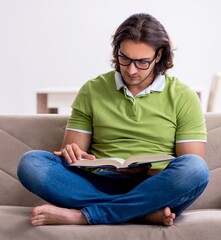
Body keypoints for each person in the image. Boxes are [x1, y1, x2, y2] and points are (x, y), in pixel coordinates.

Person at [17, 13, 209, 227]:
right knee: (31, 163)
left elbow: (191, 162)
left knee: (196, 170)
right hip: (100, 182)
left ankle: (85, 216)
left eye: (142, 62)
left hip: (155, 186)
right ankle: (139, 213)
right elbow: (73, 155)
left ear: (159, 56)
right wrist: (73, 152)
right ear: (116, 51)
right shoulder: (92, 90)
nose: (131, 69)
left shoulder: (183, 96)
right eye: (124, 58)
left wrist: (150, 170)